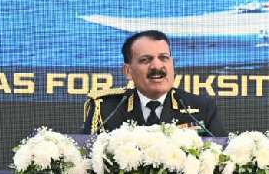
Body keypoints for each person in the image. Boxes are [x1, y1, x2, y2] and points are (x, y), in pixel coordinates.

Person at [82, 30, 226, 136]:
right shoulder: (105, 109)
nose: (157, 66)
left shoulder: (201, 108)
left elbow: (220, 158)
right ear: (128, 71)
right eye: (146, 60)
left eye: (164, 58)